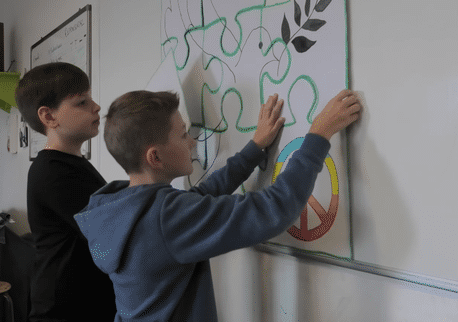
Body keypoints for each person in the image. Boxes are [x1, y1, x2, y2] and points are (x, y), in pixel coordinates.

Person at [74, 89, 360, 322]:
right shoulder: (166, 218)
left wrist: (253, 149)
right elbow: (276, 207)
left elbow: (200, 197)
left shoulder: (121, 207)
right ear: (155, 157)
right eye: (183, 134)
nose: (191, 142)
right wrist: (318, 137)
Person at [15, 62, 116, 322]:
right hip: (65, 310)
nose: (96, 107)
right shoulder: (54, 172)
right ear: (49, 117)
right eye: (82, 102)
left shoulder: (69, 165)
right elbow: (110, 234)